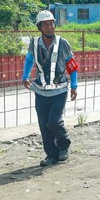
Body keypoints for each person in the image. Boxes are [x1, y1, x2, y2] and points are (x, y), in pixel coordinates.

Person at [22, 10, 79, 167]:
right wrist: (25, 76)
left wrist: (74, 86)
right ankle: (51, 154)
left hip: (59, 90)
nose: (50, 27)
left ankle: (64, 145)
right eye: (46, 24)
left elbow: (72, 66)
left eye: (52, 24)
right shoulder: (34, 43)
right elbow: (29, 59)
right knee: (43, 124)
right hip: (40, 91)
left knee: (54, 121)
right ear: (39, 27)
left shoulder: (63, 43)